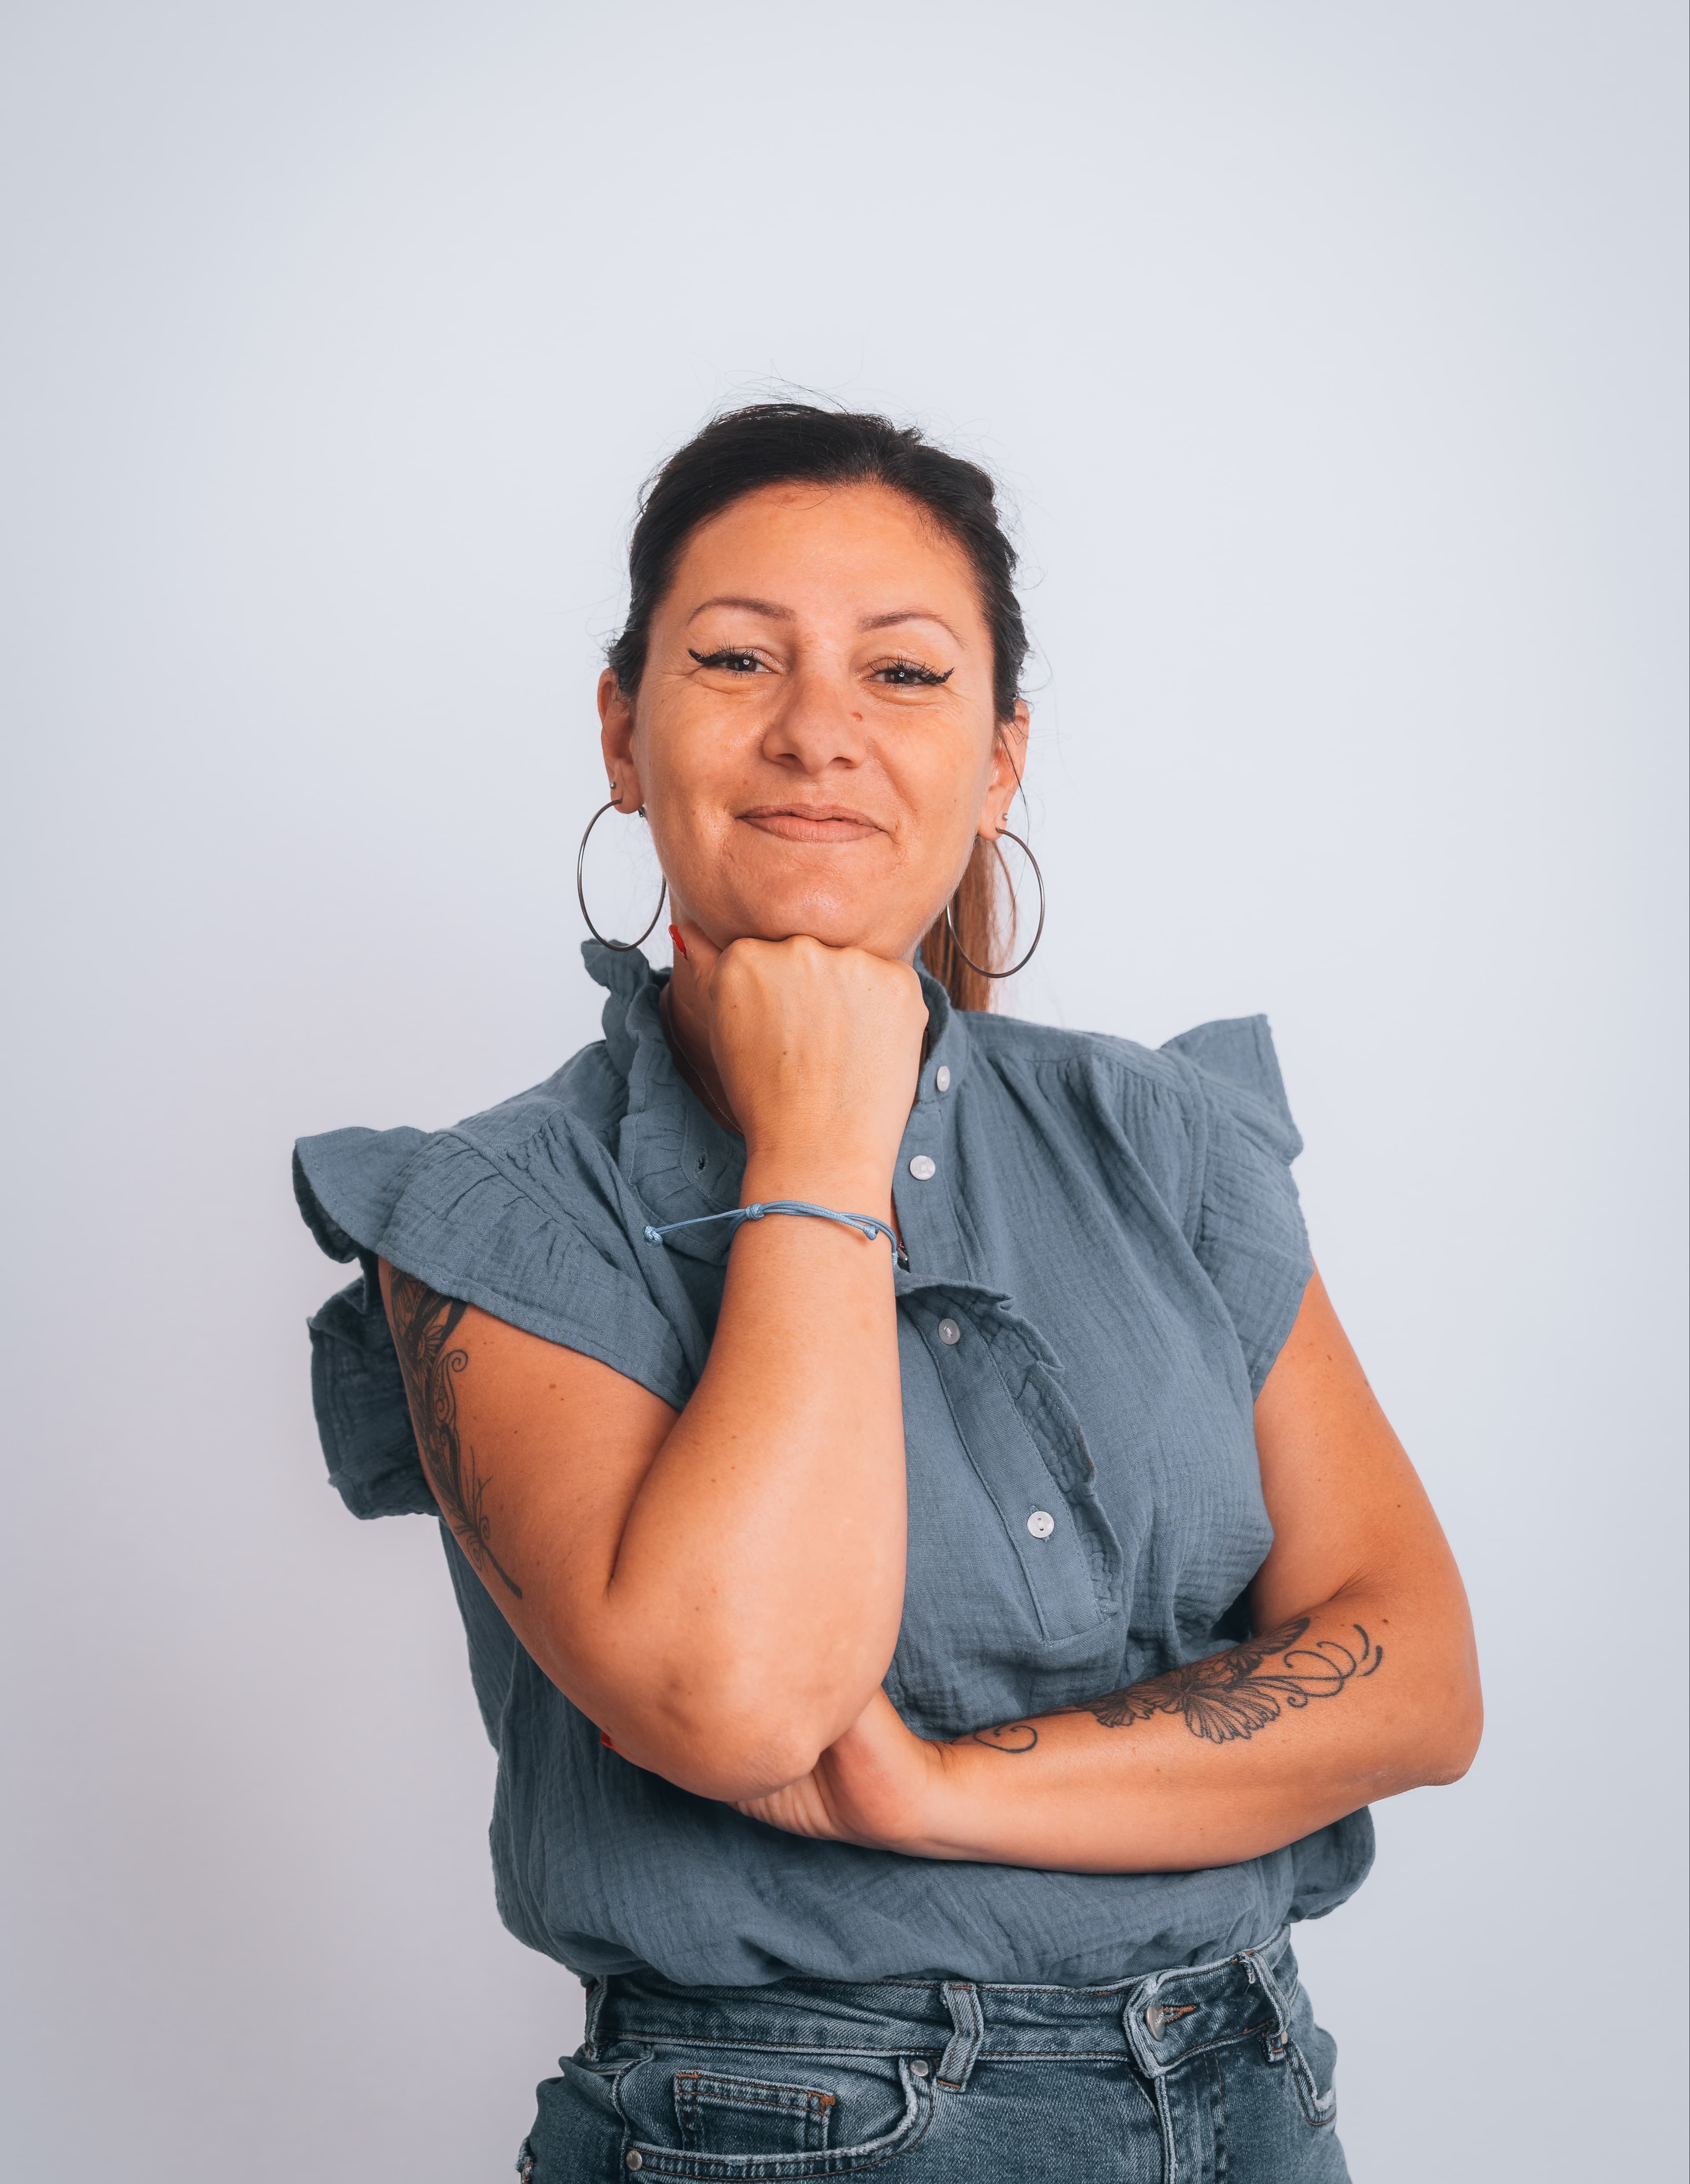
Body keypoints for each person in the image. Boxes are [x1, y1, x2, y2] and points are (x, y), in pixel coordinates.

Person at [293, 404, 1481, 2182]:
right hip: (786, 2126)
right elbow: (742, 1697)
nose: (818, 729)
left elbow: (1417, 1679)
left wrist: (941, 1791)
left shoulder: (1161, 1136)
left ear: (1000, 762)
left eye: (905, 671)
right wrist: (820, 1141)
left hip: (1251, 2092)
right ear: (622, 731)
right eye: (737, 656)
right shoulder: (499, 1209)